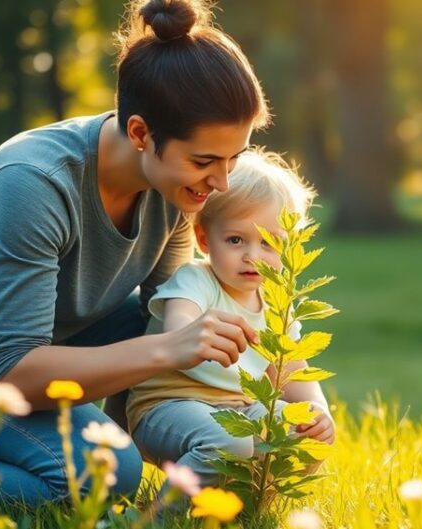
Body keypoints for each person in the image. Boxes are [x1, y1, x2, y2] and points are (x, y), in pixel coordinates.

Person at [0, 0, 270, 508]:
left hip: (49, 347)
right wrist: (169, 349)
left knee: (156, 329)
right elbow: (15, 369)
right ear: (140, 133)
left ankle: (44, 457)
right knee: (106, 473)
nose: (221, 182)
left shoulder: (175, 189)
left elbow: (166, 317)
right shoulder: (35, 185)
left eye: (233, 158)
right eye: (205, 161)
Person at [126, 149, 336, 495]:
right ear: (204, 239)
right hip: (168, 406)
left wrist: (318, 412)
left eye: (269, 243)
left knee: (303, 433)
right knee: (231, 443)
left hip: (241, 407)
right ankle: (159, 519)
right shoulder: (196, 280)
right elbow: (179, 330)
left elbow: (293, 372)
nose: (253, 256)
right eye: (236, 240)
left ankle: (247, 505)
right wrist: (200, 332)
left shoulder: (277, 305)